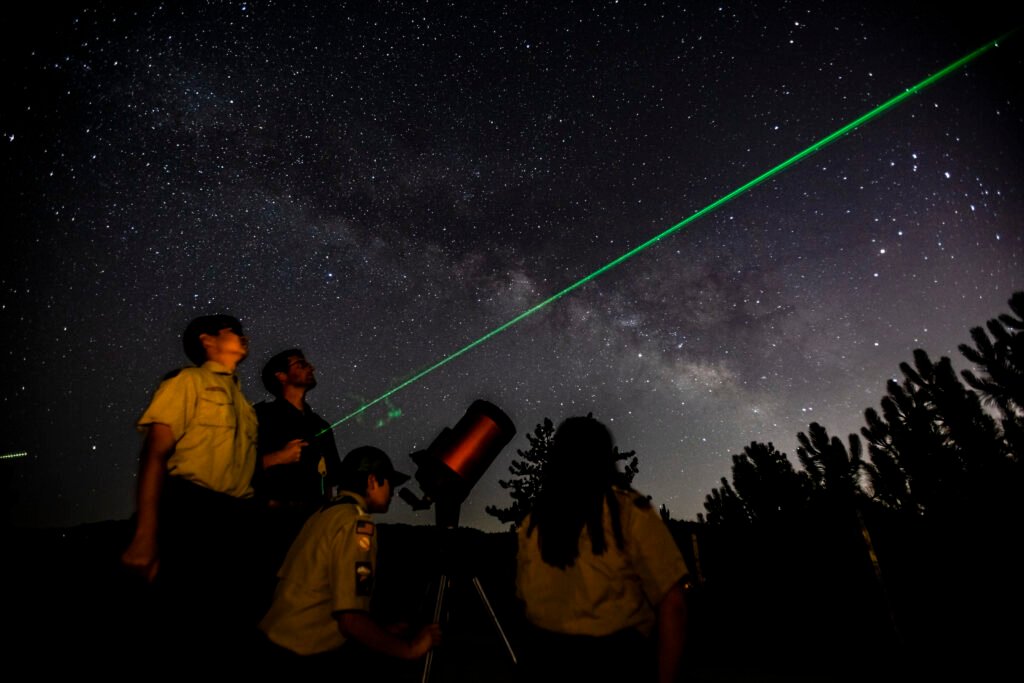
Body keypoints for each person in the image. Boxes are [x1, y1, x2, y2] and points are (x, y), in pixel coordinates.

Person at [119, 313, 260, 664]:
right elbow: (155, 454)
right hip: (192, 516)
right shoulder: (187, 381)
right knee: (183, 623)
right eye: (232, 331)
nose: (242, 335)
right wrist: (145, 535)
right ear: (207, 341)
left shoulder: (246, 406)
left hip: (237, 520)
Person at [515, 415, 690, 683]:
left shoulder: (534, 522)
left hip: (544, 660)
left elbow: (523, 599)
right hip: (615, 662)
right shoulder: (629, 512)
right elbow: (673, 604)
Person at [258, 445, 442, 674]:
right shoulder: (356, 525)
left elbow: (325, 593)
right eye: (390, 484)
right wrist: (410, 649)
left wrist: (381, 631)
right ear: (372, 481)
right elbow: (350, 620)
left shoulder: (325, 514)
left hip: (275, 640)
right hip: (299, 655)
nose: (393, 493)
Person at [253, 349, 343, 592]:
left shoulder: (321, 426)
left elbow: (332, 479)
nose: (311, 367)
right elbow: (235, 465)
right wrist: (277, 457)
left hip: (312, 528)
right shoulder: (260, 417)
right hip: (269, 527)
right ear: (281, 376)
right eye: (301, 364)